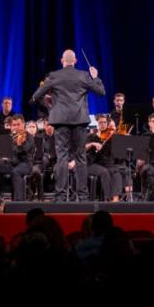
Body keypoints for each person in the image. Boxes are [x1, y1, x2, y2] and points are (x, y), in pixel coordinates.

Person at [31, 49, 105, 202]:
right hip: (79, 121)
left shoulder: (54, 76)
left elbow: (38, 95)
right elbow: (101, 92)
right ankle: (83, 196)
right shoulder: (84, 75)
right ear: (75, 61)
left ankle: (59, 196)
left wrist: (38, 97)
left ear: (61, 60)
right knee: (81, 157)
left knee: (62, 157)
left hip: (61, 122)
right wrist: (95, 77)